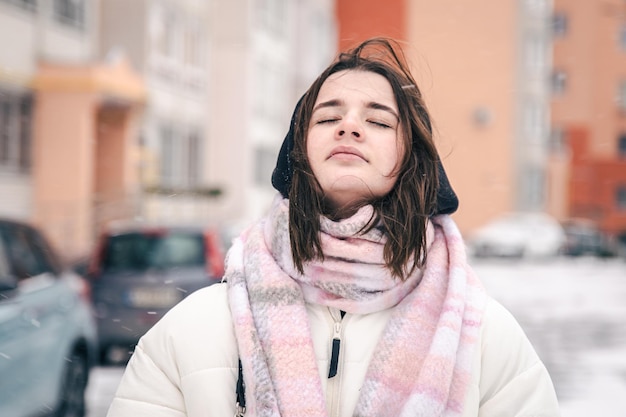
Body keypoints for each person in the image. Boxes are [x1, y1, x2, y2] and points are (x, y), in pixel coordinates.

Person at [106, 38, 560, 417]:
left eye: (379, 120)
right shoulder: (194, 330)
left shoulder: (482, 337)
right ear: (298, 152)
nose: (349, 126)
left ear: (412, 159)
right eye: (327, 118)